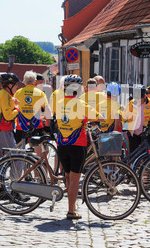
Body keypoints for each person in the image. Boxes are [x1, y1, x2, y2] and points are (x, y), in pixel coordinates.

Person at [53, 75, 101, 220]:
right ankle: (71, 211)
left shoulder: (59, 102)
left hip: (62, 144)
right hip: (77, 144)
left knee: (68, 176)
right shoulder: (80, 104)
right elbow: (99, 116)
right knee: (75, 179)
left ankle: (70, 206)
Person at [14, 71, 52, 152]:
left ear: (24, 82)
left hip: (21, 125)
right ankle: (38, 164)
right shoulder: (40, 93)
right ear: (35, 82)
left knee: (18, 150)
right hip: (36, 125)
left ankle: (19, 163)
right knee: (40, 149)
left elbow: (13, 108)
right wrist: (47, 126)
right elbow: (48, 111)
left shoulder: (18, 92)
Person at [0, 73, 21, 160]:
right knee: (16, 157)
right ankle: (15, 174)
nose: (17, 87)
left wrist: (13, 103)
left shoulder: (2, 94)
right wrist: (18, 110)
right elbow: (8, 116)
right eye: (16, 85)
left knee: (0, 159)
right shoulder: (5, 96)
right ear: (10, 85)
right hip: (4, 129)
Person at [122, 85, 150, 154]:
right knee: (134, 155)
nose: (138, 100)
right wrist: (124, 128)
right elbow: (124, 116)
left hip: (146, 133)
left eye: (140, 98)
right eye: (136, 98)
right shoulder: (132, 103)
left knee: (145, 155)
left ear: (145, 96)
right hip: (134, 133)